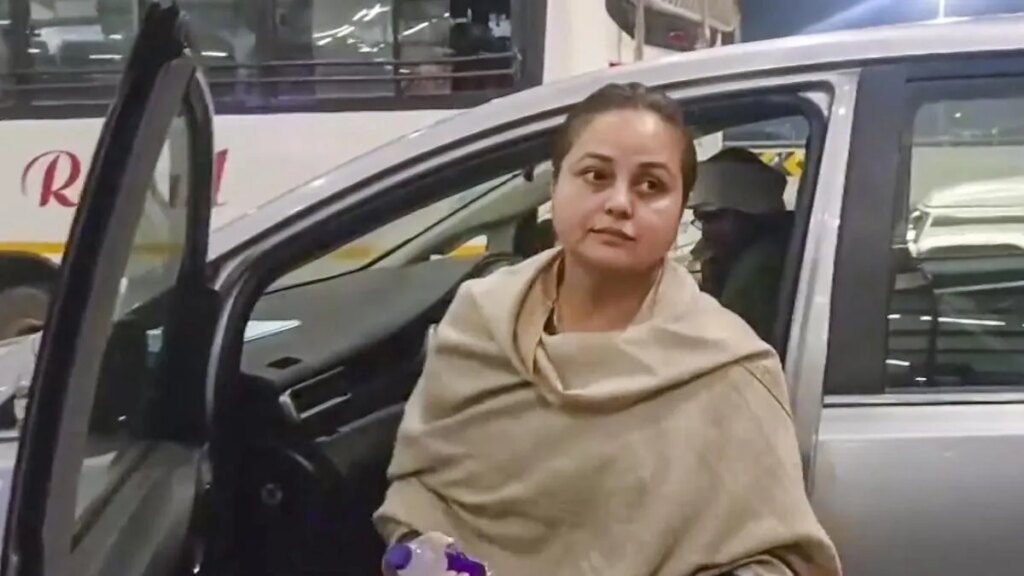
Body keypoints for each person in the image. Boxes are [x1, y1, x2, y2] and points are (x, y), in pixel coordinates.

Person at [375, 83, 841, 576]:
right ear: (555, 186)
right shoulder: (480, 321)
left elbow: (775, 561)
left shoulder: (729, 368)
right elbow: (420, 493)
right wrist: (423, 555)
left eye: (651, 186)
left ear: (680, 210)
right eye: (595, 175)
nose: (619, 203)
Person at [689, 148, 793, 342]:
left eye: (713, 218)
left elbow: (722, 344)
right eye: (701, 221)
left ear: (750, 215)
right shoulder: (740, 254)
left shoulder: (760, 270)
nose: (706, 232)